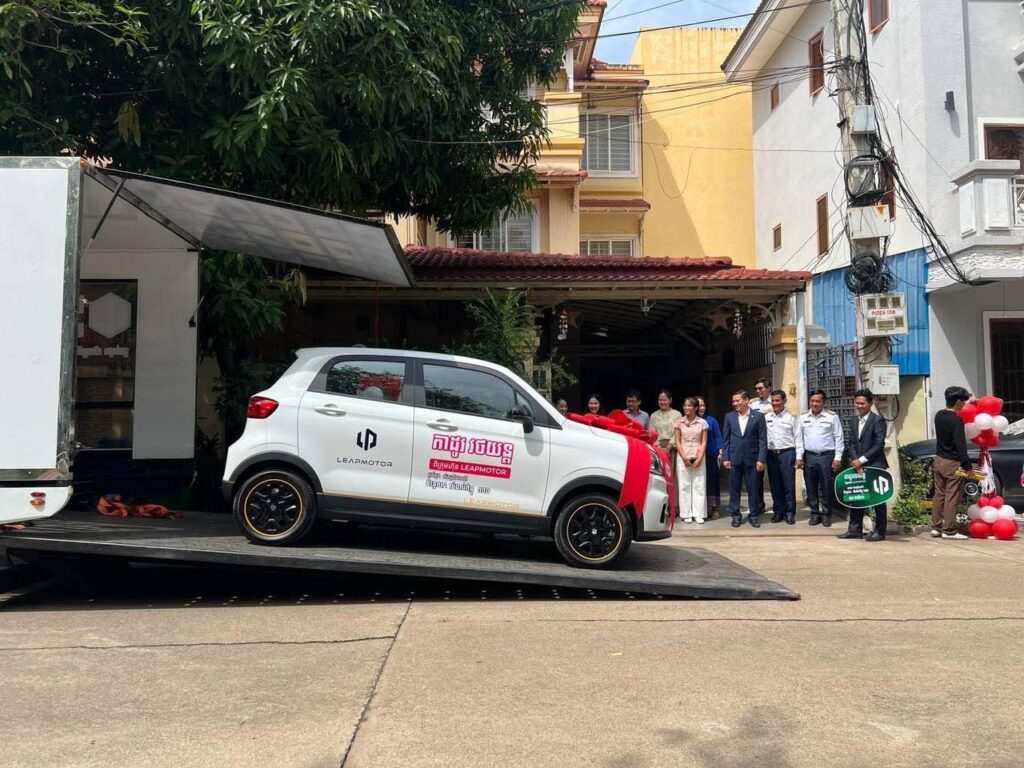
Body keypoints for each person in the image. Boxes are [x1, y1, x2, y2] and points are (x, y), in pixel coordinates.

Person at [837, 388, 889, 542]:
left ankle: (880, 531)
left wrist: (862, 460)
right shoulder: (854, 420)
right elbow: (852, 442)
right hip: (857, 465)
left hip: (875, 464)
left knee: (877, 499)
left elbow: (878, 445)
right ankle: (854, 530)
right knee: (857, 496)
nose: (859, 406)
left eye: (862, 403)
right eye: (857, 403)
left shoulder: (878, 420)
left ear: (870, 403)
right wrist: (855, 460)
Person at [795, 389, 844, 527]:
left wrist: (838, 458)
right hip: (809, 456)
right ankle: (815, 514)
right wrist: (799, 457)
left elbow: (839, 437)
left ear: (823, 402)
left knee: (827, 486)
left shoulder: (831, 417)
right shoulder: (803, 417)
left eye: (818, 401)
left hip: (826, 457)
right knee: (811, 487)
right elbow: (799, 439)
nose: (814, 404)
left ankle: (827, 514)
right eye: (812, 401)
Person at [721, 390, 768, 527]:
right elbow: (726, 440)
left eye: (738, 401)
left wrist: (761, 459)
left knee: (753, 488)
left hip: (752, 458)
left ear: (746, 400)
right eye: (733, 401)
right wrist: (726, 457)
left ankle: (754, 515)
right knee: (734, 488)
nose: (735, 403)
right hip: (734, 458)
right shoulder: (729, 417)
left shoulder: (758, 417)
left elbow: (762, 440)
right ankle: (735, 515)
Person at [932, 386, 972, 540]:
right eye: (964, 402)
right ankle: (949, 530)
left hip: (939, 459)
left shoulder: (939, 415)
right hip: (952, 462)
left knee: (939, 494)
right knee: (952, 496)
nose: (964, 405)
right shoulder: (956, 420)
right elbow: (960, 445)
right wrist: (967, 466)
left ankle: (936, 527)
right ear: (959, 402)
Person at [765, 389, 798, 525]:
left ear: (784, 401)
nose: (775, 403)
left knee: (788, 484)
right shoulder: (766, 417)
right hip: (771, 453)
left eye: (777, 400)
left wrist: (799, 457)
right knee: (775, 484)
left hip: (787, 453)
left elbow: (798, 438)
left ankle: (789, 513)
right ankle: (778, 511)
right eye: (773, 401)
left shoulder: (791, 417)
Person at [674, 397, 708, 524]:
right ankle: (686, 513)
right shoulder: (679, 422)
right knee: (684, 485)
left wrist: (700, 458)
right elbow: (677, 441)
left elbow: (704, 442)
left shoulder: (702, 423)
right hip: (683, 456)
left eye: (689, 406)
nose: (686, 408)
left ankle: (699, 513)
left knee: (699, 485)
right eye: (685, 405)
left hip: (698, 455)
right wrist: (684, 457)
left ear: (696, 408)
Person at [697, 396, 722, 520]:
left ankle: (714, 508)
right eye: (699, 405)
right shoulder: (690, 421)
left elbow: (718, 436)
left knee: (712, 481)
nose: (701, 408)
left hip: (710, 455)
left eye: (703, 405)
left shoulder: (711, 420)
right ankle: (701, 509)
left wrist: (720, 452)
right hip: (696, 456)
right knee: (699, 482)